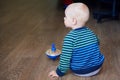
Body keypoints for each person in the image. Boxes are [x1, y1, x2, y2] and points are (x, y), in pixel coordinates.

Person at [48, 3, 105, 80]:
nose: (64, 18)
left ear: (73, 21)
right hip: (97, 67)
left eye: (66, 17)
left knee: (68, 54)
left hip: (80, 71)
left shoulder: (69, 38)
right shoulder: (91, 32)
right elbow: (98, 42)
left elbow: (65, 59)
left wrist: (58, 72)